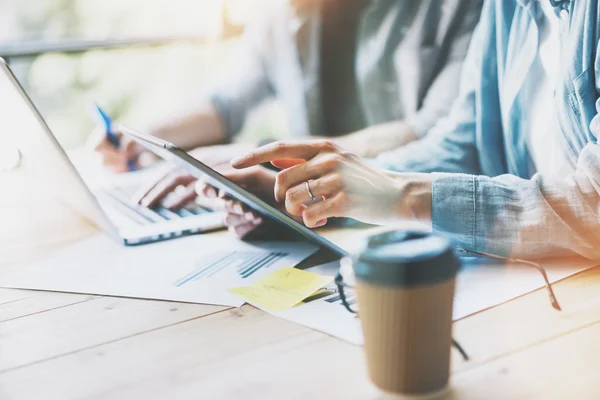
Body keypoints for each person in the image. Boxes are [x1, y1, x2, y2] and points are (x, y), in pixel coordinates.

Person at [202, 0, 600, 261]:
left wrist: (402, 196)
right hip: (529, 278)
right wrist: (327, 194)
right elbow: (465, 142)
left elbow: (595, 202)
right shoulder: (506, 7)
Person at [94, 0, 483, 209]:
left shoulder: (456, 7)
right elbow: (225, 103)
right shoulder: (278, 12)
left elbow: (434, 128)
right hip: (310, 203)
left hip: (401, 201)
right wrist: (141, 136)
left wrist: (252, 158)